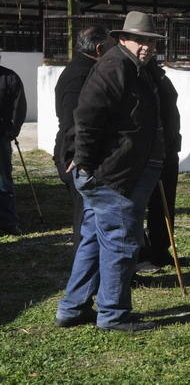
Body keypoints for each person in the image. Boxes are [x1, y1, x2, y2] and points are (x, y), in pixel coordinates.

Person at [55, 11, 166, 332]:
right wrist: (85, 160)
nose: (146, 47)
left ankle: (73, 308)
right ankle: (113, 314)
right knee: (120, 241)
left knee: (92, 239)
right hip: (114, 173)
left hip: (116, 170)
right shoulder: (115, 66)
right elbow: (86, 116)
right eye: (140, 40)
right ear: (122, 39)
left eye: (150, 41)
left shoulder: (131, 66)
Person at [53, 26, 116, 250]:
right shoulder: (79, 76)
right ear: (100, 48)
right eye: (111, 46)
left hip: (83, 152)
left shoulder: (89, 69)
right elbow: (73, 121)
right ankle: (88, 277)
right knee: (86, 218)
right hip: (76, 156)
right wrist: (79, 155)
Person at [137, 57, 181, 272]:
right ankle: (139, 252)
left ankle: (160, 249)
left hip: (167, 150)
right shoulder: (131, 78)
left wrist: (172, 144)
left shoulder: (161, 80)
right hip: (141, 153)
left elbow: (171, 111)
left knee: (163, 205)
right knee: (136, 206)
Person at [0, 48, 27, 236]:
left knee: (3, 180)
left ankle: (8, 222)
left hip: (1, 135)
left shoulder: (10, 77)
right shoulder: (10, 77)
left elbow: (19, 108)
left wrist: (12, 131)